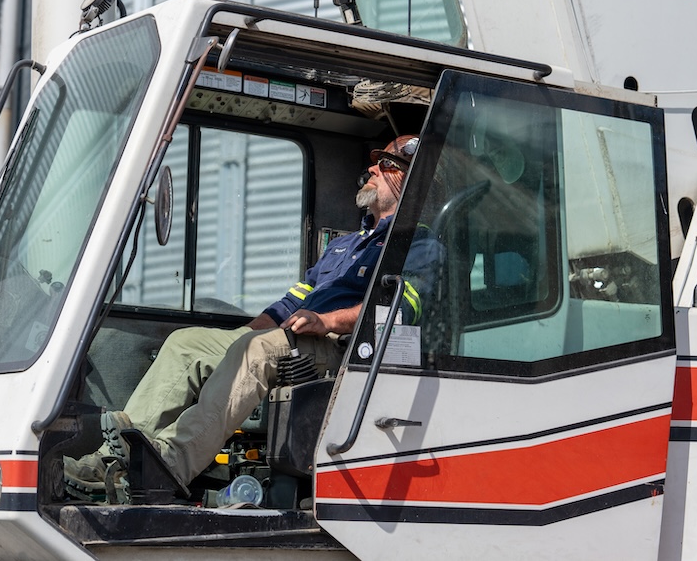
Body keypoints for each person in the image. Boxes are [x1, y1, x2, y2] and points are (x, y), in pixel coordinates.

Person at [65, 134, 427, 494]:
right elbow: (291, 302)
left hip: (345, 349)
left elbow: (403, 307)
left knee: (255, 353)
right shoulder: (344, 245)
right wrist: (242, 334)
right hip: (296, 336)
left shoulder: (417, 242)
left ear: (410, 183)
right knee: (187, 343)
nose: (372, 169)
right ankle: (114, 459)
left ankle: (170, 463)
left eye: (387, 164)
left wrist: (327, 321)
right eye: (376, 163)